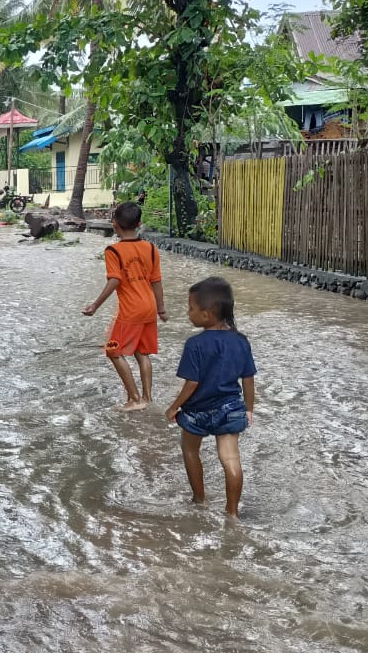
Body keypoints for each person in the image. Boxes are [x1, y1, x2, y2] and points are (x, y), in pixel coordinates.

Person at [164, 277, 256, 517]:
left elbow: (191, 383)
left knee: (189, 450)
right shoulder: (241, 341)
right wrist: (248, 409)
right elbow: (248, 379)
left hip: (197, 412)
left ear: (205, 314)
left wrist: (173, 407)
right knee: (230, 459)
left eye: (191, 308)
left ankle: (199, 500)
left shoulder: (194, 344)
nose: (188, 313)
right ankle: (232, 513)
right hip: (231, 409)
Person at [82, 202, 166, 411]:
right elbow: (156, 281)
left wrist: (95, 305)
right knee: (142, 353)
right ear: (139, 224)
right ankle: (147, 398)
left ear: (114, 224)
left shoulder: (113, 250)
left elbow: (114, 280)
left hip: (130, 311)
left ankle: (135, 399)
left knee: (112, 350)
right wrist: (161, 309)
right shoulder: (151, 248)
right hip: (149, 307)